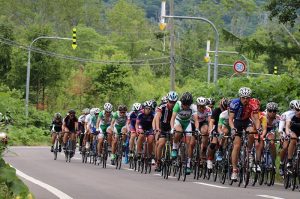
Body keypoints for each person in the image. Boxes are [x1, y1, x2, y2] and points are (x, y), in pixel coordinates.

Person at [229, 87, 261, 180]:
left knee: (251, 133)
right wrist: (232, 128)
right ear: (240, 97)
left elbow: (256, 119)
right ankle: (234, 170)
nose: (245, 100)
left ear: (250, 97)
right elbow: (231, 119)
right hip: (237, 122)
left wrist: (258, 128)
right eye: (243, 97)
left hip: (247, 121)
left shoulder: (253, 103)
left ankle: (249, 151)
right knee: (237, 146)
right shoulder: (234, 103)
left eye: (247, 98)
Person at [170, 92, 199, 175]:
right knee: (178, 131)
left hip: (187, 123)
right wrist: (172, 128)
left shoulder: (193, 107)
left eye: (186, 105)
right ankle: (174, 147)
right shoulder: (178, 105)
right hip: (178, 121)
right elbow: (173, 118)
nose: (184, 106)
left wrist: (197, 129)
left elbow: (196, 120)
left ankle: (188, 164)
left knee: (189, 144)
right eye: (183, 104)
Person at [155, 91, 178, 171]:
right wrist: (158, 129)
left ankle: (175, 158)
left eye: (174, 102)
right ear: (167, 100)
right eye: (170, 102)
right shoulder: (162, 106)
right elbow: (157, 118)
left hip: (173, 126)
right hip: (163, 126)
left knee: (175, 141)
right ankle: (158, 162)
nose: (172, 104)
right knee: (161, 143)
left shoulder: (177, 107)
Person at [207, 98, 229, 169]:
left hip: (227, 128)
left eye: (226, 108)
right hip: (217, 127)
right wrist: (210, 130)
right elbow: (211, 121)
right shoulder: (216, 110)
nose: (224, 109)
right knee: (214, 143)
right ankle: (210, 159)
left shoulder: (231, 112)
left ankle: (224, 153)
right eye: (223, 107)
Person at [278, 100, 297, 175]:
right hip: (286, 130)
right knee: (285, 147)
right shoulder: (286, 114)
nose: (295, 110)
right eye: (295, 108)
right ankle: (282, 163)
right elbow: (282, 126)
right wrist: (281, 134)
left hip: (295, 131)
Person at [285, 100, 300, 171]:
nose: (299, 112)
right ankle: (289, 160)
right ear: (295, 109)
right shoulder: (290, 115)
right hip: (292, 131)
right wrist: (288, 133)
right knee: (293, 138)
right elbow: (287, 126)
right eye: (297, 110)